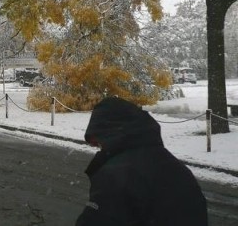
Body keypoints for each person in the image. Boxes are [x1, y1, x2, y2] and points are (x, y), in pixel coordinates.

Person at [76, 96, 208, 226]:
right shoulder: (177, 168)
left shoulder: (115, 176)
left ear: (108, 134)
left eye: (98, 143)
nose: (97, 148)